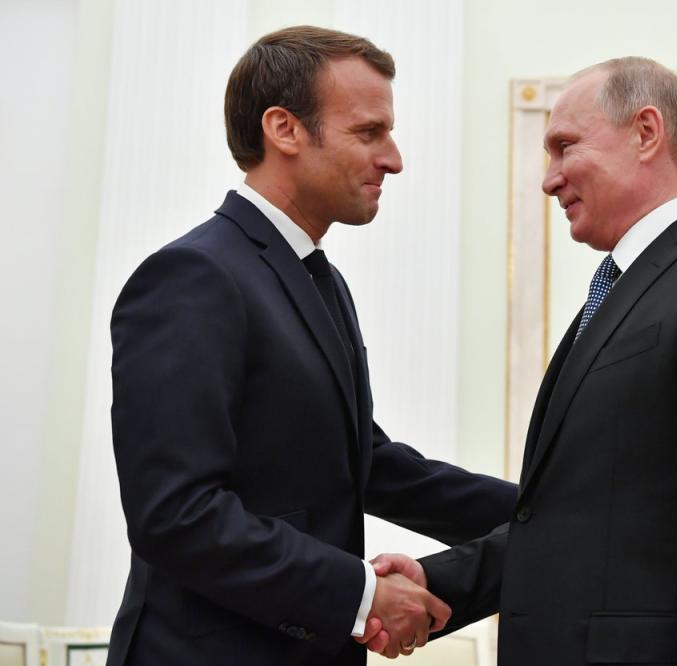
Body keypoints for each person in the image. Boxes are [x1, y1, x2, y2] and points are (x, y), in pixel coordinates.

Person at [369, 57, 677, 665]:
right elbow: (582, 522)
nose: (549, 178)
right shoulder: (619, 291)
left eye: (565, 147)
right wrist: (440, 582)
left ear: (646, 132)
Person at [105, 25, 516, 666]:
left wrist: (553, 514)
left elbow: (367, 464)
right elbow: (175, 514)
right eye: (368, 132)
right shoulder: (192, 277)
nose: (394, 158)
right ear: (285, 129)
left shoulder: (320, 281)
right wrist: (362, 594)